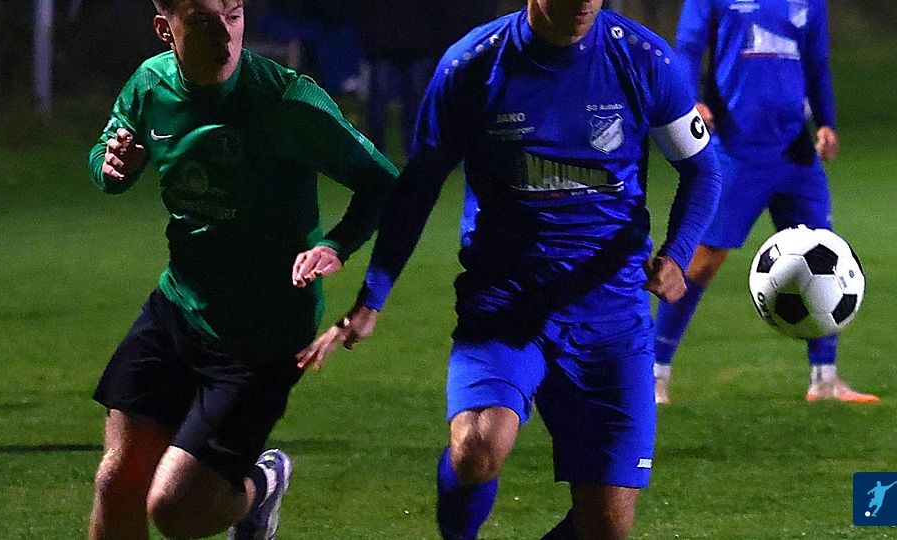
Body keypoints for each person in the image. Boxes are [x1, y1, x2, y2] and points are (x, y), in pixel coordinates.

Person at [298, 1, 721, 537]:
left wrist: (678, 255)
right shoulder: (473, 64)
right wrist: (372, 298)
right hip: (502, 299)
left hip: (610, 308)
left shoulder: (644, 59)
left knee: (607, 527)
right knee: (476, 449)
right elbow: (418, 186)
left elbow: (702, 170)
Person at [85, 1, 398, 538]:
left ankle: (261, 486)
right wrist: (113, 167)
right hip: (179, 307)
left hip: (263, 335)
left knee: (175, 510)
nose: (225, 36)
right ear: (165, 30)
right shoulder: (150, 85)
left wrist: (338, 245)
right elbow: (106, 157)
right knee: (117, 480)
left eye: (233, 15)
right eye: (203, 22)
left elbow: (386, 185)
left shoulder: (287, 101)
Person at [651, 0, 879, 405]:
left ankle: (825, 380)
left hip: (795, 152)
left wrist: (826, 121)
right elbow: (687, 49)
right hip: (735, 150)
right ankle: (654, 373)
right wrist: (690, 102)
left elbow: (817, 61)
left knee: (824, 256)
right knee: (703, 260)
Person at [358, 0, 499, 155]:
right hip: (393, 47)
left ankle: (411, 153)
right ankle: (379, 152)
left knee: (414, 107)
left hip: (413, 47)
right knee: (383, 106)